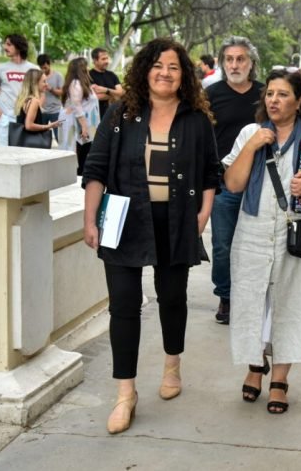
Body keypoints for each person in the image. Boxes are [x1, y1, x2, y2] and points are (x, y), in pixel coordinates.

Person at [81, 38, 219, 434]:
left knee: (172, 297)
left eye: (174, 67)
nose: (165, 72)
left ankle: (172, 365)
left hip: (175, 219)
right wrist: (91, 220)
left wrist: (204, 213)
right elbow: (96, 168)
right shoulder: (122, 114)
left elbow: (210, 172)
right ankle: (126, 393)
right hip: (124, 219)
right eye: (158, 65)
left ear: (184, 75)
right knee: (123, 305)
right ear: (145, 70)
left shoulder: (195, 119)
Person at [223, 69, 301, 414]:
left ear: (299, 101)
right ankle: (254, 367)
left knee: (291, 304)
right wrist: (252, 146)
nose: (274, 100)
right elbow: (232, 183)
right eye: (270, 94)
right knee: (253, 302)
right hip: (253, 232)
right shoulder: (251, 132)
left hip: (299, 234)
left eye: (283, 94)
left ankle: (280, 379)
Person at [206, 36, 264, 325]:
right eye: (229, 59)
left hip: (262, 182)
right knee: (223, 244)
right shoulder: (210, 95)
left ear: (251, 63)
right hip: (223, 183)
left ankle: (257, 298)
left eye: (240, 59)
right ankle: (226, 296)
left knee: (259, 243)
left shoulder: (267, 94)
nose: (234, 64)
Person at [0, 34, 38, 145]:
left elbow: (41, 93)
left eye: (9, 44)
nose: (5, 47)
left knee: (26, 153)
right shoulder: (1, 68)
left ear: (18, 46)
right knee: (6, 154)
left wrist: (34, 112)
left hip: (27, 119)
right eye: (5, 44)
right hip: (6, 118)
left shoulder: (34, 69)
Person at [59, 57, 100, 174]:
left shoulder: (80, 84)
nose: (88, 68)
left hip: (84, 124)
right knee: (80, 155)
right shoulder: (76, 84)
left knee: (84, 154)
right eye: (86, 66)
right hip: (78, 125)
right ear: (81, 69)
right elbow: (77, 106)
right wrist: (84, 127)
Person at [87, 48, 124, 172]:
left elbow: (122, 93)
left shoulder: (111, 75)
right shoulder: (89, 76)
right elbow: (89, 97)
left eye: (107, 58)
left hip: (112, 117)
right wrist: (112, 94)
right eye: (103, 59)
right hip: (93, 119)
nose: (106, 61)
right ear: (95, 60)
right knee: (95, 147)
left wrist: (105, 90)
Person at [13, 68, 61, 139]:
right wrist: (48, 126)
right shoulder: (34, 101)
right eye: (44, 81)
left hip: (23, 141)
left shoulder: (24, 99)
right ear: (35, 83)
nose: (46, 84)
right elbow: (29, 125)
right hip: (32, 143)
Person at [37, 54, 63, 143]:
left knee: (58, 136)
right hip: (42, 110)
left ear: (49, 64)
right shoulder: (38, 76)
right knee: (41, 136)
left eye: (45, 67)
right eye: (41, 68)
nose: (43, 70)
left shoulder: (58, 76)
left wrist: (50, 89)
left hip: (55, 110)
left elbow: (62, 92)